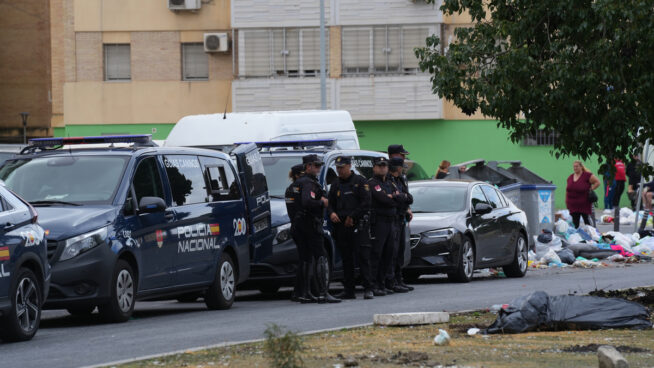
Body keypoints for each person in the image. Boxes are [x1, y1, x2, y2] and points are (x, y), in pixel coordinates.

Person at [327, 156, 374, 300]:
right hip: (342, 227)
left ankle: (368, 288)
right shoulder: (336, 184)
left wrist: (353, 216)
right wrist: (332, 213)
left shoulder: (360, 182)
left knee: (363, 257)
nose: (339, 170)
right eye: (337, 167)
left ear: (349, 166)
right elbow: (330, 203)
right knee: (347, 259)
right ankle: (349, 290)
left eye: (342, 167)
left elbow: (366, 202)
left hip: (357, 225)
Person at [295, 154, 341, 304]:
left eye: (319, 165)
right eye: (316, 165)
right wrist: (323, 203)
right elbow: (307, 201)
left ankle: (305, 293)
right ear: (308, 166)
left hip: (299, 226)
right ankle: (323, 293)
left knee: (305, 259)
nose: (318, 168)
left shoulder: (297, 184)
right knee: (321, 257)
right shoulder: (309, 183)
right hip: (311, 225)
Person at [368, 157, 401, 296]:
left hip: (391, 221)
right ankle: (373, 285)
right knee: (377, 254)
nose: (382, 168)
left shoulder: (390, 182)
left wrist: (392, 197)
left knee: (389, 254)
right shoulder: (372, 183)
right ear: (374, 167)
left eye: (384, 166)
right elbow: (382, 199)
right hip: (379, 222)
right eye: (379, 166)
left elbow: (404, 199)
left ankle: (382, 284)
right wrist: (394, 198)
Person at [284, 164, 310, 303]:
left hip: (296, 225)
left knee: (303, 259)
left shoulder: (291, 189)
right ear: (295, 175)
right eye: (301, 174)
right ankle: (302, 291)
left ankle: (299, 291)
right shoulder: (295, 189)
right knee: (305, 260)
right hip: (300, 226)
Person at [388, 157, 413, 293]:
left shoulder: (400, 180)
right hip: (393, 219)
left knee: (399, 252)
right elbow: (392, 198)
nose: (402, 168)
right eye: (400, 166)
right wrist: (400, 197)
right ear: (396, 167)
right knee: (393, 251)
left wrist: (400, 196)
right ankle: (392, 281)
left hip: (401, 218)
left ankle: (399, 279)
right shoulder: (389, 180)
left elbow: (409, 198)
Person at [565, 160, 601, 228]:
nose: (575, 168)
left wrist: (591, 189)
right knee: (575, 223)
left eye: (577, 166)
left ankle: (592, 236)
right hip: (573, 205)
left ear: (581, 167)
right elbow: (568, 190)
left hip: (584, 204)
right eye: (574, 166)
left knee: (587, 222)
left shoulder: (587, 175)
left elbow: (597, 182)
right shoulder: (570, 177)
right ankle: (576, 237)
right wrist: (567, 202)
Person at [612, 159, 627, 230]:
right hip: (617, 179)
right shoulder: (614, 162)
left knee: (620, 192)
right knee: (616, 193)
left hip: (623, 180)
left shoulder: (622, 162)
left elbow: (625, 170)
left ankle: (617, 204)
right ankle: (615, 205)